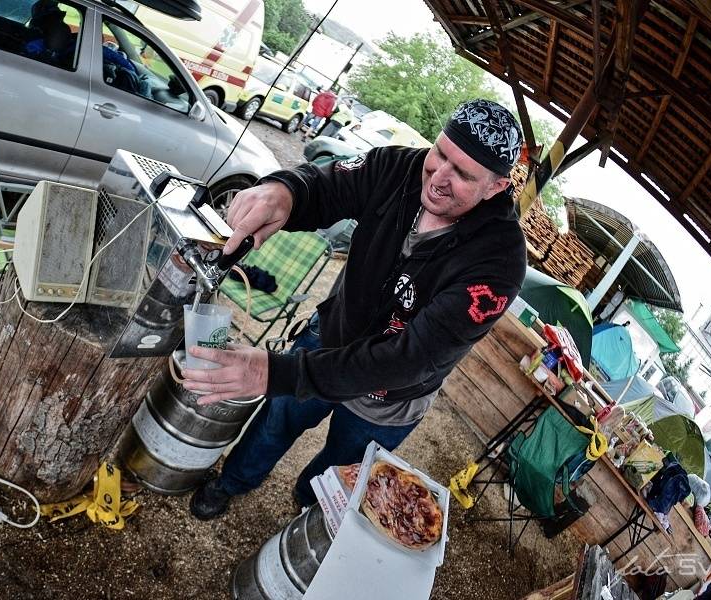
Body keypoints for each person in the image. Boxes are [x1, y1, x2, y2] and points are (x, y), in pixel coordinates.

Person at [184, 99, 527, 520]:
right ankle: (233, 481)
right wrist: (284, 191)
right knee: (276, 422)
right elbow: (325, 186)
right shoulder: (398, 167)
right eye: (439, 153)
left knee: (340, 470)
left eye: (463, 174)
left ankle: (306, 510)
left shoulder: (499, 262)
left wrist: (275, 372)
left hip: (391, 395)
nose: (438, 177)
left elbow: (409, 358)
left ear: (496, 186)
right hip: (329, 337)